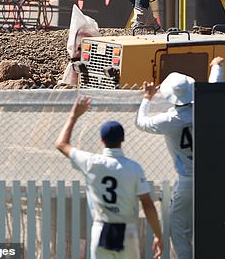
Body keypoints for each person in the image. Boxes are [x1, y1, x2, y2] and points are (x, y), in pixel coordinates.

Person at [136, 57, 225, 259]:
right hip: (213, 178)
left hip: (187, 181)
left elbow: (140, 122)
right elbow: (215, 87)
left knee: (180, 234)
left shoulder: (169, 120)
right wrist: (217, 66)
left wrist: (146, 98)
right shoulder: (207, 107)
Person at [55, 95, 163, 259]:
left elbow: (61, 144)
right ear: (123, 139)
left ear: (102, 140)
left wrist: (73, 116)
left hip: (102, 230)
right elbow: (147, 205)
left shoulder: (91, 163)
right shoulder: (133, 168)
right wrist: (158, 235)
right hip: (127, 231)